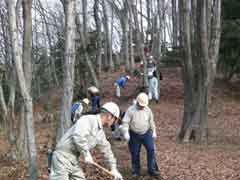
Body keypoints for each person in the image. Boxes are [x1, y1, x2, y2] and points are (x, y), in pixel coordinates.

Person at [49, 102, 123, 180]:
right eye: (114, 119)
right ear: (109, 116)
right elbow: (78, 136)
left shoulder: (100, 133)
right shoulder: (87, 119)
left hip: (73, 160)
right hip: (62, 157)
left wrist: (113, 168)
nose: (114, 122)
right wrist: (86, 153)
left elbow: (107, 150)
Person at [121, 92, 159, 177]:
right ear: (137, 102)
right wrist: (126, 132)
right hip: (134, 134)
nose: (142, 107)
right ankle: (136, 171)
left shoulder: (148, 110)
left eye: (144, 105)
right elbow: (125, 122)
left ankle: (152, 170)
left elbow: (151, 122)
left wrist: (154, 131)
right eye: (141, 105)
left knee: (151, 150)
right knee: (135, 153)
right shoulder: (131, 110)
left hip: (146, 133)